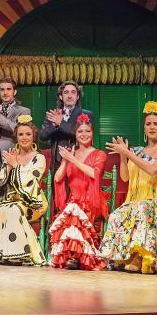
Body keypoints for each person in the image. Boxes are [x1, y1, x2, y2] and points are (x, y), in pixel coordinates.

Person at [102, 101, 157, 274]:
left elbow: (153, 170)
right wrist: (123, 157)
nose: (152, 127)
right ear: (144, 128)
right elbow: (125, 177)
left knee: (142, 208)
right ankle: (124, 256)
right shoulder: (138, 151)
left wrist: (127, 153)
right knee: (117, 214)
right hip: (136, 199)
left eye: (156, 123)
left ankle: (141, 257)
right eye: (148, 124)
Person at [0, 115, 47, 266]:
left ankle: (19, 254)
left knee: (13, 210)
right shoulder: (12, 155)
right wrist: (9, 167)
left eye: (28, 134)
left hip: (31, 202)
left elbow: (31, 181)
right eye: (21, 134)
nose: (24, 138)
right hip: (12, 200)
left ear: (33, 136)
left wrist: (15, 165)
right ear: (16, 136)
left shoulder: (39, 157)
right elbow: (0, 181)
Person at [48, 113, 107, 270]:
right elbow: (58, 178)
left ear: (92, 133)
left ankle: (77, 255)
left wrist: (73, 159)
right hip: (74, 200)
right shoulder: (71, 155)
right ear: (75, 134)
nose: (84, 134)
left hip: (91, 200)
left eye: (87, 131)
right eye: (80, 131)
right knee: (70, 212)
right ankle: (71, 256)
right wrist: (66, 160)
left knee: (73, 212)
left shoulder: (99, 154)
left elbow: (94, 173)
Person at [39, 81, 94, 176]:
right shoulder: (53, 114)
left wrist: (61, 123)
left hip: (78, 161)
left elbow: (82, 135)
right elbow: (42, 136)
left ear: (77, 97)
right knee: (56, 190)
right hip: (57, 162)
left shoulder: (86, 114)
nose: (69, 95)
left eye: (73, 92)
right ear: (61, 97)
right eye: (66, 92)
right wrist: (55, 125)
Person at [0, 78, 31, 172]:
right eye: (2, 90)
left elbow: (18, 129)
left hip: (15, 156)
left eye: (8, 89)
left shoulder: (24, 111)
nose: (5, 92)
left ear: (14, 92)